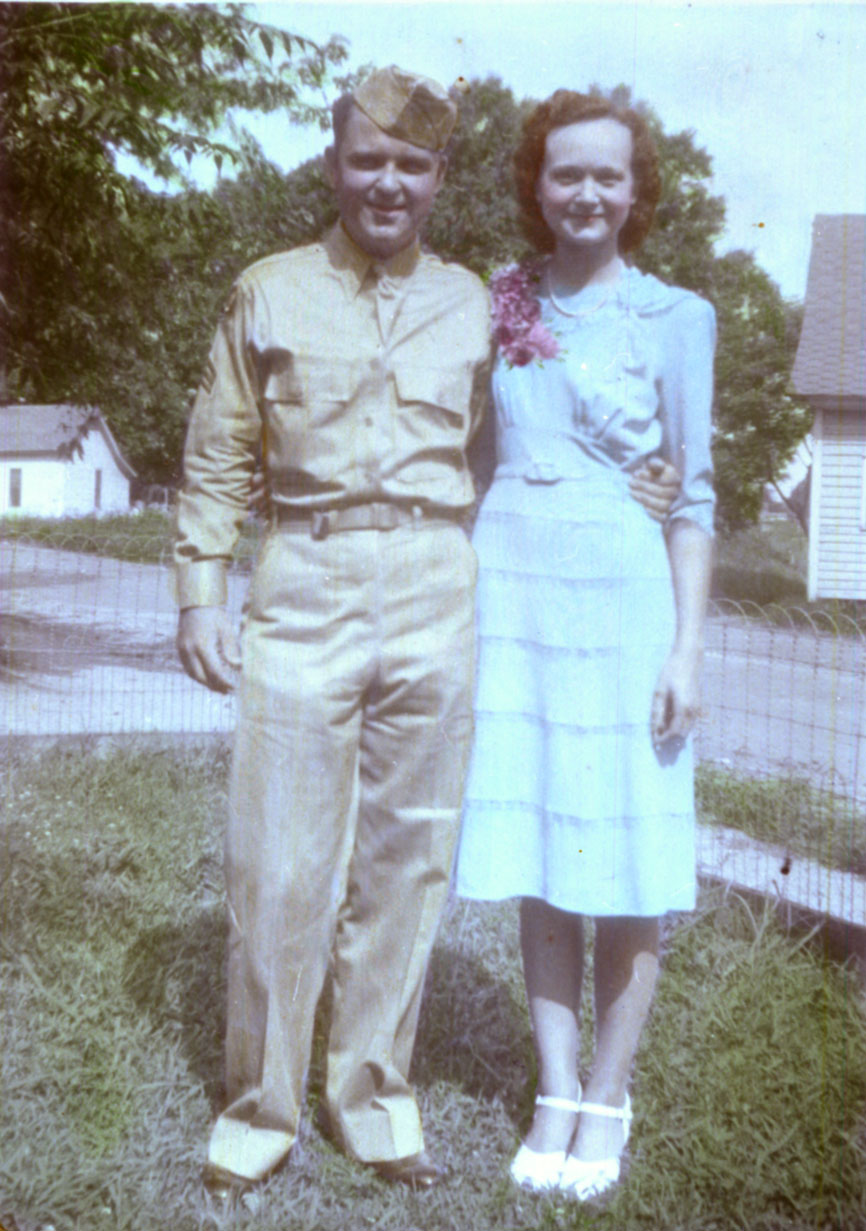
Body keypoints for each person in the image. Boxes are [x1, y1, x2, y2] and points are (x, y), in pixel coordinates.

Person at [175, 66, 680, 1201]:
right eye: (367, 160)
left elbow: (552, 422)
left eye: (411, 165)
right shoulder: (267, 290)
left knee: (410, 857)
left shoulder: (484, 300)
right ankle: (259, 1106)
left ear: (439, 178)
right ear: (333, 164)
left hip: (439, 583)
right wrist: (200, 588)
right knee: (278, 856)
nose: (387, 182)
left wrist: (638, 479)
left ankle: (369, 1092)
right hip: (303, 571)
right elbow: (217, 450)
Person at [453, 89, 715, 1203]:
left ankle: (608, 1092)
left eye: (607, 174)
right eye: (565, 173)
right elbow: (469, 451)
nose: (586, 192)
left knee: (626, 854)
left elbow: (692, 495)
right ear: (536, 184)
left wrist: (686, 651)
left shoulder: (676, 317)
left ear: (635, 189)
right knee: (539, 847)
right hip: (511, 594)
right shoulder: (497, 300)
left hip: (620, 603)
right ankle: (553, 1084)